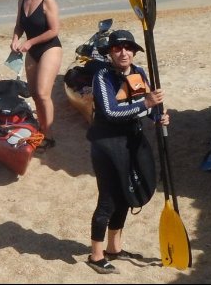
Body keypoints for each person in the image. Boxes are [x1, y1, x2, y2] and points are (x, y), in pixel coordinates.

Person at [85, 29, 169, 274]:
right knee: (108, 200)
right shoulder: (102, 76)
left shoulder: (139, 72)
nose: (123, 52)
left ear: (133, 51)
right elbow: (110, 112)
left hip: (131, 141)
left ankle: (114, 248)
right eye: (117, 48)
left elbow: (149, 107)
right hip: (106, 144)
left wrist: (158, 116)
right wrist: (147, 104)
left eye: (128, 48)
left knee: (126, 195)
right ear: (110, 52)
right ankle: (96, 255)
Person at [10, 0, 63, 148]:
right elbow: (19, 25)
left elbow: (54, 30)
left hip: (50, 48)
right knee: (33, 93)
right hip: (31, 50)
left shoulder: (48, 0)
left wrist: (30, 42)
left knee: (43, 93)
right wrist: (15, 39)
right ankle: (41, 127)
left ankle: (48, 135)